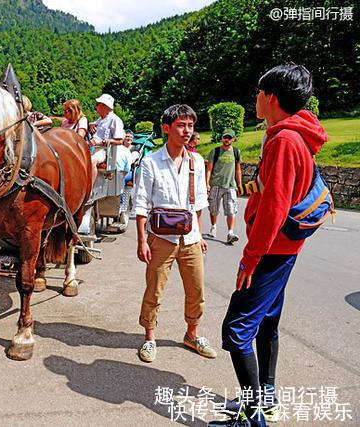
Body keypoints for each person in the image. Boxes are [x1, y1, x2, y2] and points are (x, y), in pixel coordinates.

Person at [213, 65, 328, 427]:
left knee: (236, 329)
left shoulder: (283, 140)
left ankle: (252, 417)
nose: (256, 99)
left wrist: (250, 258)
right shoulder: (294, 134)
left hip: (271, 251)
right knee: (266, 323)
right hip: (284, 251)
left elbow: (275, 207)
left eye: (259, 93)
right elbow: (271, 191)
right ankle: (264, 397)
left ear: (272, 98)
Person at [133, 104, 216, 363]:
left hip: (190, 239)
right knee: (155, 290)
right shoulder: (151, 162)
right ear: (166, 128)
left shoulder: (197, 162)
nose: (187, 131)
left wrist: (200, 235)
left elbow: (199, 202)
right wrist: (141, 241)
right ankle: (149, 338)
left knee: (196, 290)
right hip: (161, 238)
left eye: (190, 126)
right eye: (181, 125)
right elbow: (141, 203)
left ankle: (192, 334)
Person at [205, 129, 243, 244]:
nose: (227, 139)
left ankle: (230, 232)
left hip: (230, 185)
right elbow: (209, 169)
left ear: (233, 139)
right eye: (225, 137)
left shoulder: (236, 152)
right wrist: (207, 183)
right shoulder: (215, 151)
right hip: (216, 184)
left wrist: (240, 184)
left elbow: (238, 169)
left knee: (231, 210)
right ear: (222, 138)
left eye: (229, 138)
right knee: (213, 209)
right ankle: (213, 226)